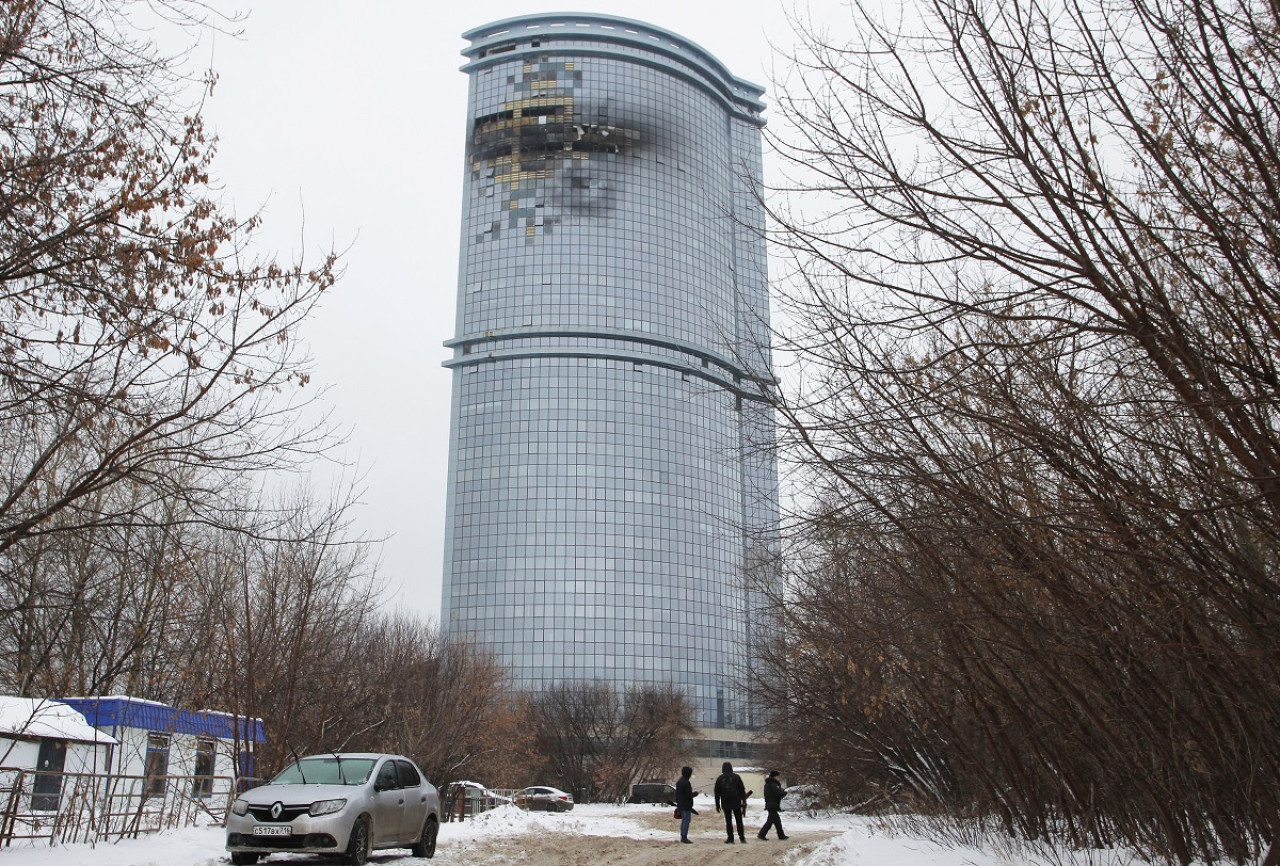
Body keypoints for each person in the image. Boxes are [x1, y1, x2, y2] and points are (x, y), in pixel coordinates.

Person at [713, 760, 748, 843]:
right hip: (736, 801)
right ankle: (742, 838)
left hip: (725, 801)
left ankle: (730, 838)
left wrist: (717, 804)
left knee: (728, 820)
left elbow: (717, 792)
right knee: (739, 820)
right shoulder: (737, 777)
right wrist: (743, 800)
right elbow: (742, 789)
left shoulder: (720, 778)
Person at [757, 769, 789, 840]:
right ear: (775, 777)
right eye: (778, 776)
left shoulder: (768, 784)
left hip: (770, 804)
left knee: (777, 821)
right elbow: (777, 794)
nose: (779, 778)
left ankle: (781, 835)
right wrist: (784, 793)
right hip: (773, 804)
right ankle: (761, 834)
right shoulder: (774, 784)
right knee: (770, 821)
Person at [675, 766, 696, 843]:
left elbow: (678, 794)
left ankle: (683, 835)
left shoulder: (679, 781)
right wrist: (695, 794)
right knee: (686, 820)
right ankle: (684, 837)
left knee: (684, 820)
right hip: (686, 804)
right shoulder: (686, 782)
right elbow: (688, 795)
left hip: (680, 804)